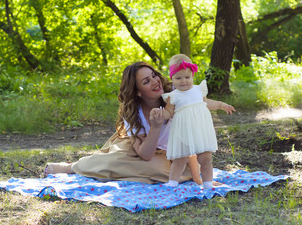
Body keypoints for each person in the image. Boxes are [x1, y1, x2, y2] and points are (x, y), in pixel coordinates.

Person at [44, 61, 234, 185]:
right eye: (146, 81)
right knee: (115, 161)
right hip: (140, 148)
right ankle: (72, 167)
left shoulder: (175, 98)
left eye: (154, 75)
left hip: (175, 153)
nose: (155, 82)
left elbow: (195, 126)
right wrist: (156, 126)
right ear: (137, 91)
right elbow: (144, 153)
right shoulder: (132, 113)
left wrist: (198, 177)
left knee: (159, 169)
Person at [151, 54, 235, 188]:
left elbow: (207, 103)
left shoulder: (198, 90)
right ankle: (172, 182)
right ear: (171, 79)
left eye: (187, 77)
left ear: (192, 76)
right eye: (178, 78)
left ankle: (207, 183)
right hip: (183, 132)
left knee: (206, 158)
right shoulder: (173, 96)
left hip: (200, 130)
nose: (183, 81)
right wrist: (161, 114)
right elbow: (169, 112)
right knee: (180, 159)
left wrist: (221, 105)